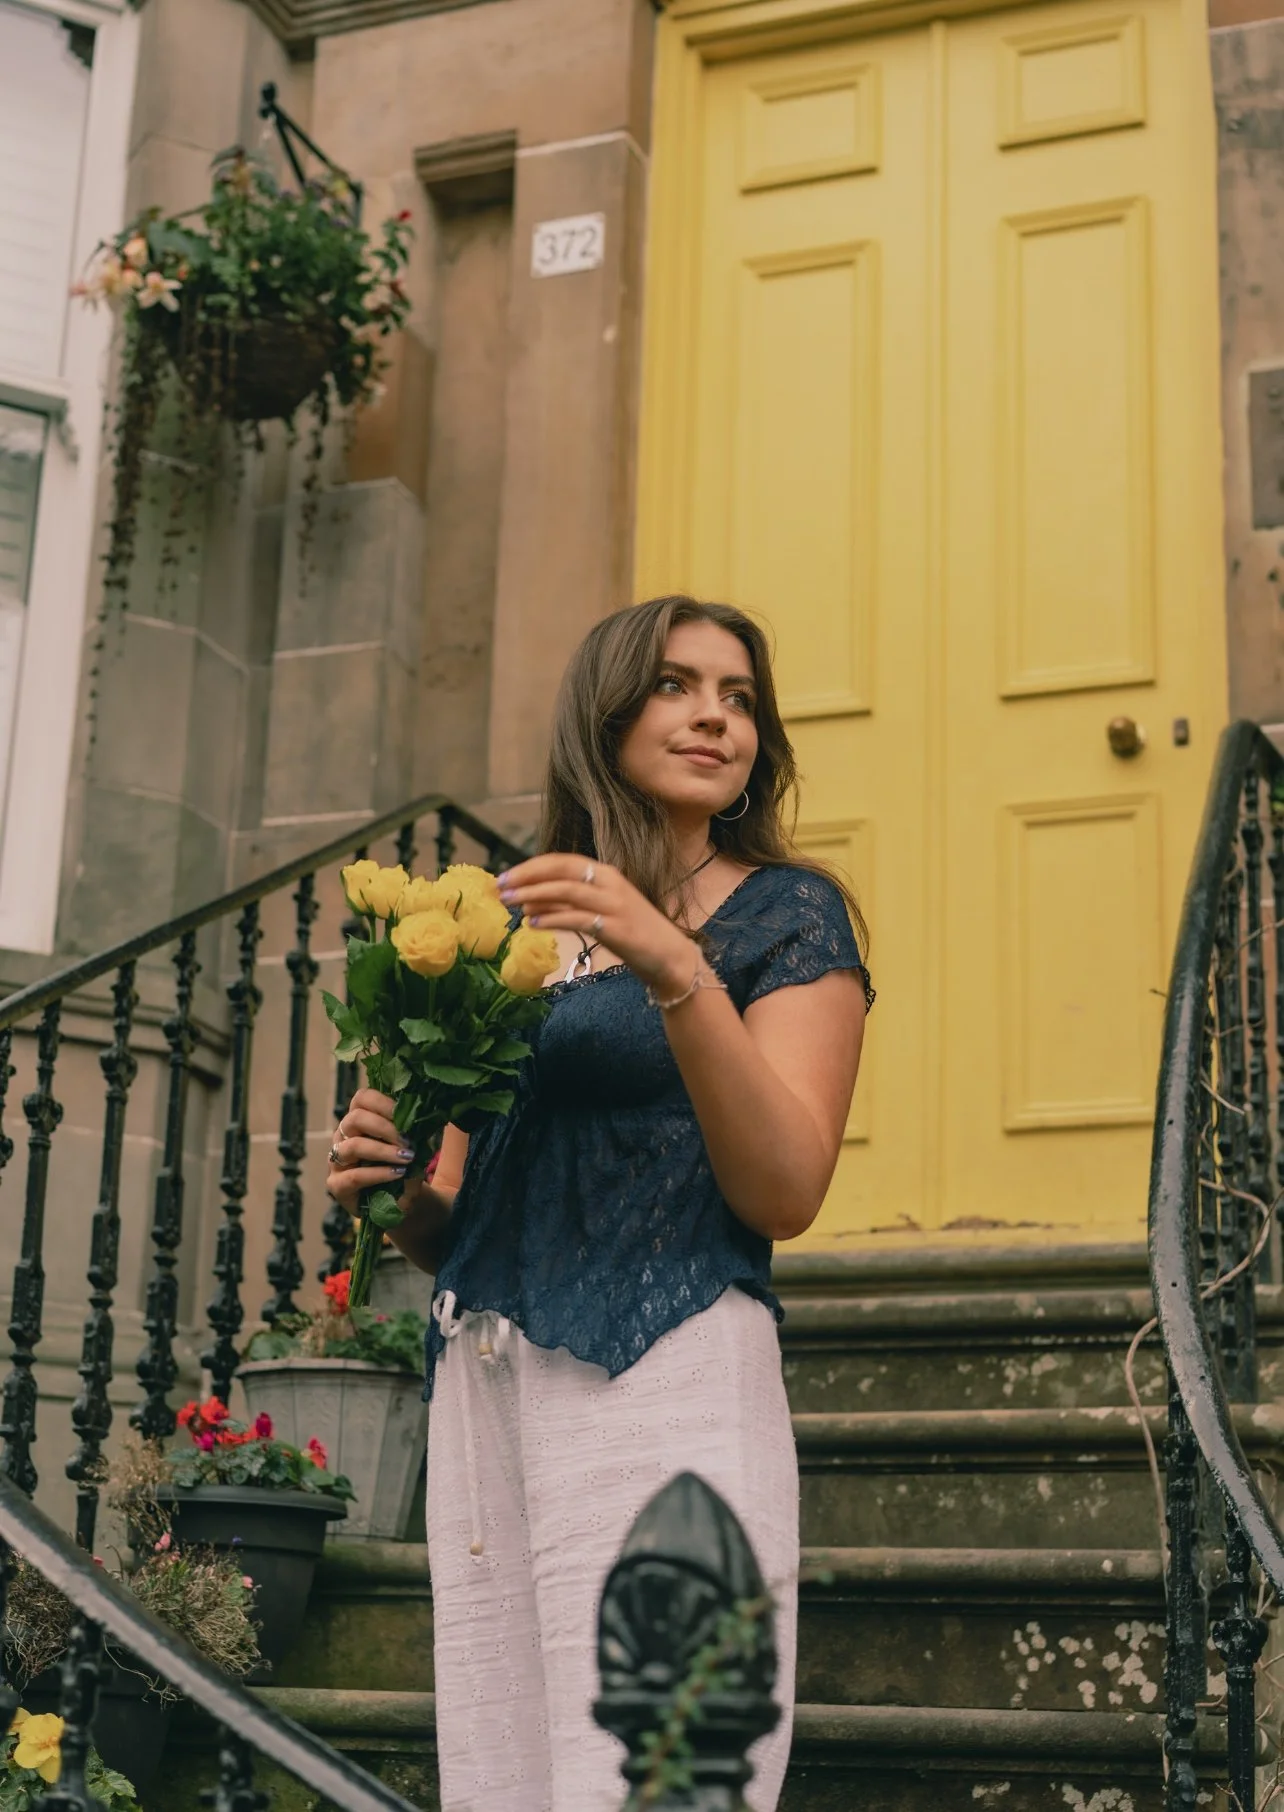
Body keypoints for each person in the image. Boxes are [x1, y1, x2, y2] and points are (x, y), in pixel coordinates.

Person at [325, 595, 872, 1812]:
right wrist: (395, 1188)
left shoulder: (788, 914)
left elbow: (786, 1189)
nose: (716, 717)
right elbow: (452, 1215)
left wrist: (677, 968)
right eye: (678, 685)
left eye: (739, 698)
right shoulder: (507, 934)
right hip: (492, 1377)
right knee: (505, 1769)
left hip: (670, 1363)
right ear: (605, 711)